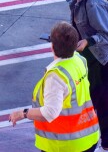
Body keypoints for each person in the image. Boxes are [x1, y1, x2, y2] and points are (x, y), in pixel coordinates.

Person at [9, 21, 99, 152]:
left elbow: (50, 112)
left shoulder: (56, 77)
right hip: (88, 136)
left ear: (52, 47)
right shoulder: (79, 60)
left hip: (65, 145)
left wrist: (23, 113)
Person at [65, 0, 108, 151]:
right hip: (87, 62)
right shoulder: (75, 1)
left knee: (103, 106)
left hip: (101, 63)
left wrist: (88, 41)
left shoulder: (92, 4)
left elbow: (106, 34)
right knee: (91, 104)